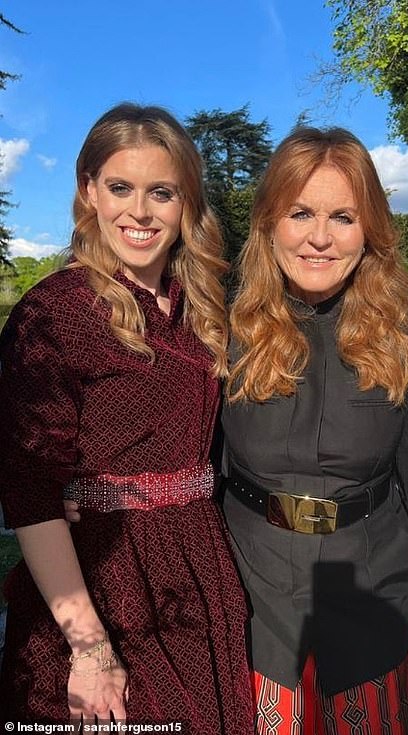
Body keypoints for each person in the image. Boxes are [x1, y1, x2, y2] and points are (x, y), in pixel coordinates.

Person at [0, 103, 253, 733]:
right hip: (101, 576)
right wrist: (88, 648)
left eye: (160, 192)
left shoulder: (202, 311)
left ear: (186, 202)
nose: (139, 211)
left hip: (198, 565)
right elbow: (29, 492)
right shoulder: (55, 312)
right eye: (120, 188)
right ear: (88, 192)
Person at [221, 126, 408, 734]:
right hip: (250, 592)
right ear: (269, 223)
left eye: (343, 216)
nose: (320, 237)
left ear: (369, 228)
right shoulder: (220, 330)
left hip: (373, 586)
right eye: (300, 213)